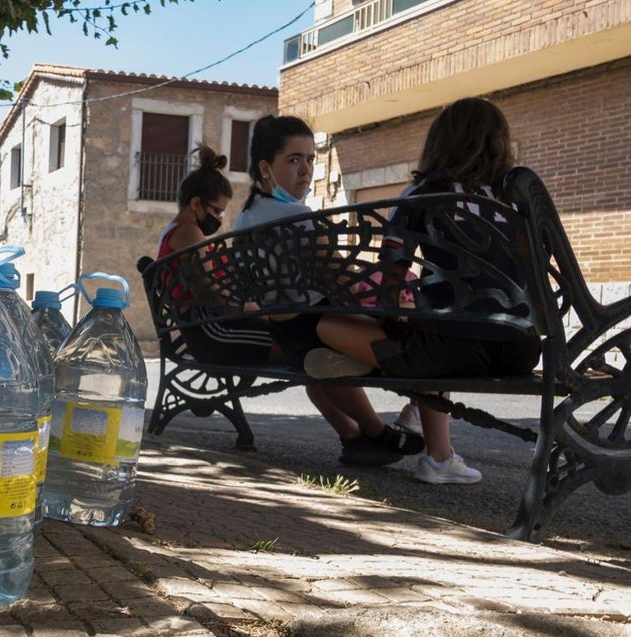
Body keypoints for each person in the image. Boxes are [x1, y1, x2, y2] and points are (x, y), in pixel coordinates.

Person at [306, 97, 541, 484]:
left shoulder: (420, 195)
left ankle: (417, 407)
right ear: (499, 141)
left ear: (438, 143)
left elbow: (391, 274)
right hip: (520, 349)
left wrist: (391, 315)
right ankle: (435, 450)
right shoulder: (515, 202)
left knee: (329, 326)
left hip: (446, 352)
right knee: (437, 327)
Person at [233, 115, 423, 466]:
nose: (305, 170)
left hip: (284, 330)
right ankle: (380, 432)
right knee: (407, 329)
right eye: (293, 160)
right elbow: (341, 281)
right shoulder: (298, 216)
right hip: (313, 327)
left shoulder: (243, 219)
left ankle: (360, 439)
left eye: (310, 160)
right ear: (266, 167)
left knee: (318, 366)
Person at [156, 143, 279, 366]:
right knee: (289, 342)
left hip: (207, 327)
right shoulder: (188, 232)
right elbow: (206, 291)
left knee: (291, 336)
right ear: (195, 203)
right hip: (212, 331)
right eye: (216, 211)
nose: (219, 219)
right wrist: (249, 308)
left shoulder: (178, 232)